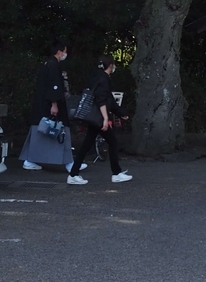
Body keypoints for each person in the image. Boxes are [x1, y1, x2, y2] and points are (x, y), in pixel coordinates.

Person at [69, 55, 132, 185]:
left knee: (86, 145)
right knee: (113, 142)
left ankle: (74, 173)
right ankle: (116, 173)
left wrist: (120, 113)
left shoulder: (96, 77)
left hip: (94, 117)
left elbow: (108, 100)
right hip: (98, 118)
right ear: (110, 65)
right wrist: (105, 118)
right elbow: (102, 100)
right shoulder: (104, 80)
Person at [21, 38, 80, 172]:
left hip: (41, 106)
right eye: (65, 51)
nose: (66, 54)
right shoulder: (53, 65)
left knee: (40, 131)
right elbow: (54, 87)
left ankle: (30, 159)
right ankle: (70, 163)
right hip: (51, 105)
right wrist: (54, 104)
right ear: (59, 52)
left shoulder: (47, 64)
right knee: (62, 130)